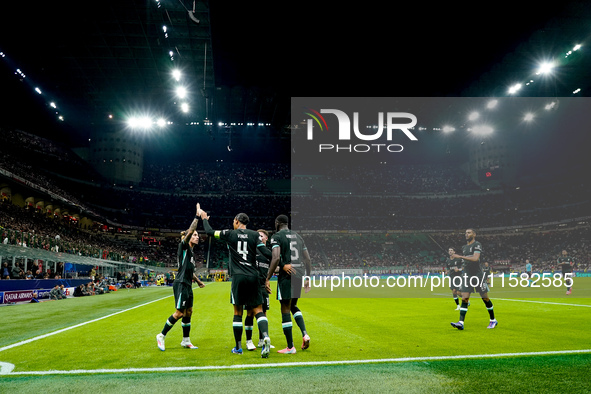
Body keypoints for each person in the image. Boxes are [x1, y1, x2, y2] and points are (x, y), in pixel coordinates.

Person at [198, 205, 272, 358]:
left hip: (238, 277)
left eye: (233, 221)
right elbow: (266, 253)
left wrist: (204, 218)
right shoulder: (254, 235)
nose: (233, 223)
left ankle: (238, 347)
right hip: (253, 276)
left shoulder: (230, 234)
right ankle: (265, 336)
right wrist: (281, 260)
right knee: (258, 309)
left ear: (237, 221)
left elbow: (210, 232)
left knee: (238, 312)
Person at [157, 203, 205, 351]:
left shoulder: (191, 253)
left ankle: (186, 340)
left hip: (188, 284)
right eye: (195, 235)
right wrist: (197, 216)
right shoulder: (183, 247)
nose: (197, 237)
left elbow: (190, 271)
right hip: (181, 284)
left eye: (197, 235)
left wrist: (198, 281)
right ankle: (161, 335)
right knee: (179, 313)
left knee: (189, 311)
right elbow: (190, 230)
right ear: (188, 237)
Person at [265, 214, 312, 354]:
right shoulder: (298, 236)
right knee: (293, 305)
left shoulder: (277, 236)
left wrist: (267, 277)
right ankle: (304, 334)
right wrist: (307, 277)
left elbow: (275, 257)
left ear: (277, 223)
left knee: (285, 308)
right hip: (299, 275)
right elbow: (308, 259)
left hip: (286, 276)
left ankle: (290, 347)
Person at [450, 229, 497, 330]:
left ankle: (493, 320)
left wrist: (460, 256)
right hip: (467, 274)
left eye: (469, 232)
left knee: (484, 298)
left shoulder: (477, 244)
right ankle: (461, 322)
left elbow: (475, 259)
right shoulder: (464, 247)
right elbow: (466, 262)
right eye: (465, 233)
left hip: (477, 275)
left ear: (474, 234)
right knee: (464, 298)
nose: (466, 234)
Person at [244, 229, 276, 351]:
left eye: (261, 236)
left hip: (263, 287)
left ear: (266, 238)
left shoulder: (267, 253)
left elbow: (273, 267)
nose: (258, 238)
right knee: (250, 313)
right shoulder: (252, 250)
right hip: (252, 287)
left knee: (264, 313)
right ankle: (248, 341)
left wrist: (268, 279)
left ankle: (262, 340)